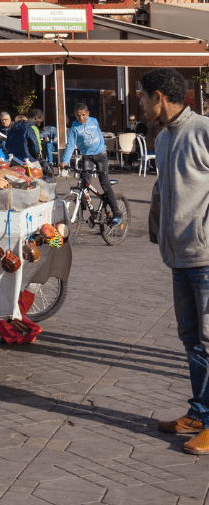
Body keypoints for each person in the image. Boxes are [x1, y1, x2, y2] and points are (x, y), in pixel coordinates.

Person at [145, 67, 209, 453]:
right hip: (178, 257)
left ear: (160, 98)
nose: (140, 103)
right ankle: (199, 412)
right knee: (191, 340)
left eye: (142, 97)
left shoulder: (202, 130)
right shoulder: (165, 137)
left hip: (205, 256)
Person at [61, 103, 122, 224]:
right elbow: (71, 145)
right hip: (87, 157)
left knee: (104, 182)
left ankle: (116, 212)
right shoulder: (74, 128)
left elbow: (99, 136)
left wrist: (102, 147)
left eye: (84, 115)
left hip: (101, 155)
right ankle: (80, 213)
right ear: (75, 115)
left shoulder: (94, 121)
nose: (81, 118)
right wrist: (64, 161)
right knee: (84, 184)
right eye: (78, 116)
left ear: (88, 114)